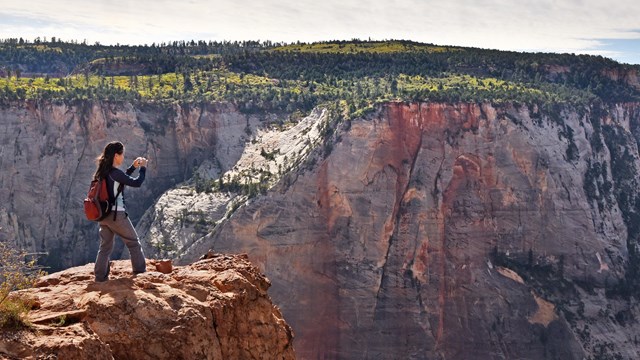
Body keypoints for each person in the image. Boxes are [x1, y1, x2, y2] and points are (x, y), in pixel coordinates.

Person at [92, 141, 148, 282]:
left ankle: (100, 278)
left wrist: (132, 167)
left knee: (105, 247)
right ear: (116, 155)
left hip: (103, 215)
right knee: (133, 242)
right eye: (122, 154)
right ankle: (140, 273)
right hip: (116, 215)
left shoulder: (102, 172)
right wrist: (143, 168)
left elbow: (120, 181)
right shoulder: (114, 173)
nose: (123, 157)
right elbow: (136, 182)